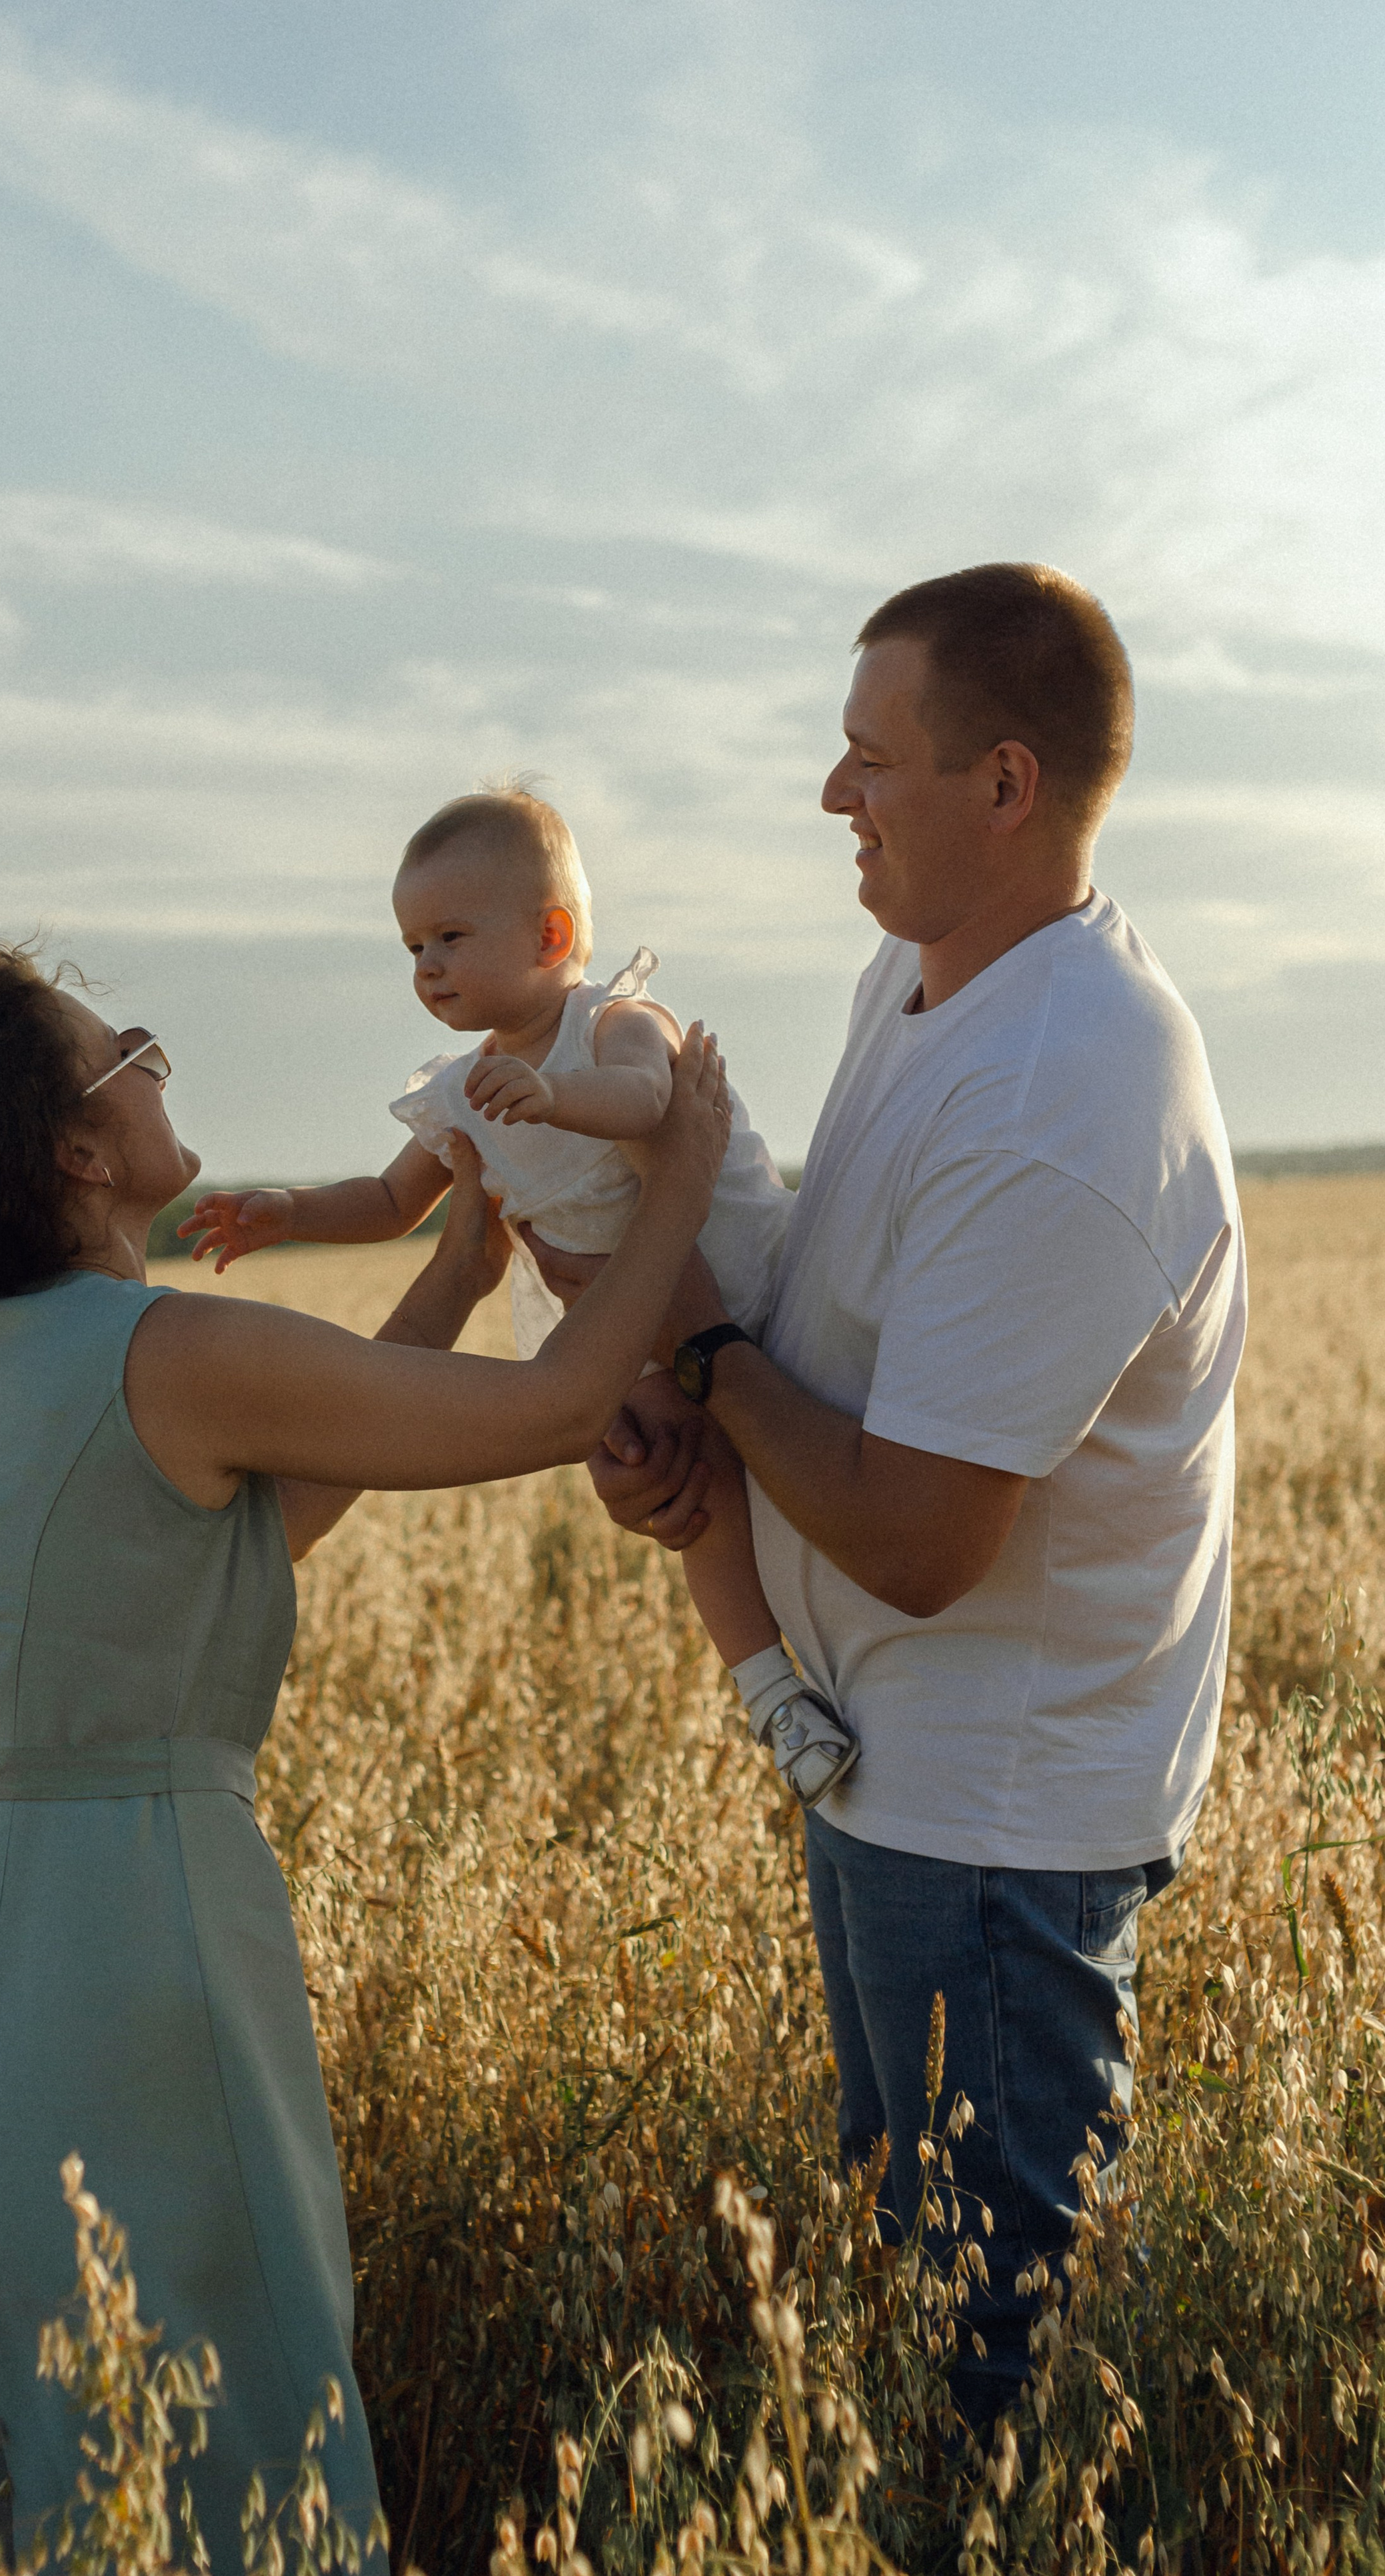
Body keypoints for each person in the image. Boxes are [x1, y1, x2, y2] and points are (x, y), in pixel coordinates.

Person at [0, 943, 730, 2567]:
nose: (159, 1066)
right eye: (132, 1053)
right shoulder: (163, 1349)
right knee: (256, 2477)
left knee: (86, 2500)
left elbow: (245, 1528)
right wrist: (677, 1168)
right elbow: (550, 1409)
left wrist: (459, 1268)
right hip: (138, 1966)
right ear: (79, 1151)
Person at [535, 563, 1246, 2429]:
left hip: (995, 1826)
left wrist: (698, 1344)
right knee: (895, 2274)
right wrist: (711, 1445)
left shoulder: (1063, 1093)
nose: (831, 797)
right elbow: (848, 1338)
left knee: (975, 2372)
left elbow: (928, 1544)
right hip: (890, 1774)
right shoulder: (927, 977)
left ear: (1004, 785)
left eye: (871, 760)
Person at [181, 786, 856, 1813]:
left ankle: (832, 1663)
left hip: (743, 1279)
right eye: (412, 947)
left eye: (450, 936)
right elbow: (393, 1197)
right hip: (619, 1326)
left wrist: (555, 1098)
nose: (428, 968)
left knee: (786, 1449)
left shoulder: (613, 1021)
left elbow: (654, 1102)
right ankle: (773, 1695)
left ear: (553, 934)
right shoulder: (465, 1085)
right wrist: (285, 1211)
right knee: (688, 1485)